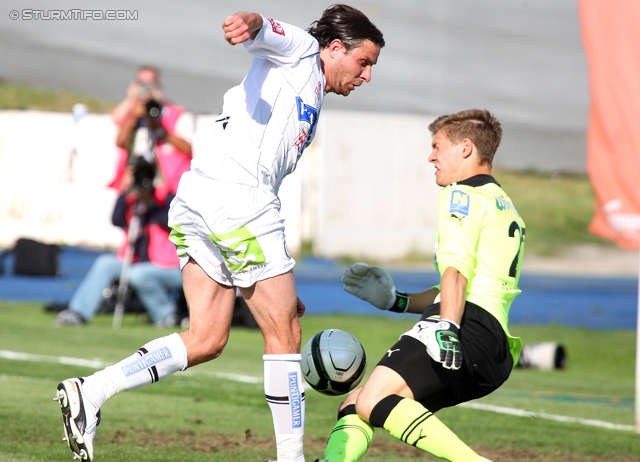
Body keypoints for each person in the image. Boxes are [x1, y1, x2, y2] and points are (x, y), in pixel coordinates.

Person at [54, 5, 384, 462]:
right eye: (364, 62)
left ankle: (91, 392)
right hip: (237, 203)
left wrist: (276, 286)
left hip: (198, 198)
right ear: (334, 48)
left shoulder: (307, 84)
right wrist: (249, 23)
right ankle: (291, 459)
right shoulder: (304, 53)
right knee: (285, 334)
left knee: (206, 338)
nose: (367, 75)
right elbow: (269, 30)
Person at [316, 109, 525, 462]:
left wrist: (446, 327)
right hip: (494, 345)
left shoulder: (462, 195)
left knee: (373, 400)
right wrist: (396, 301)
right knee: (357, 402)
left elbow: (455, 271)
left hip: (463, 329)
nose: (431, 156)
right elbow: (461, 287)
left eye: (437, 146)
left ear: (465, 148)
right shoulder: (504, 205)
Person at [54, 160, 183, 328]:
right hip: (140, 263)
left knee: (137, 275)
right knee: (105, 263)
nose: (145, 182)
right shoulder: (133, 201)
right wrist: (124, 191)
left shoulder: (165, 198)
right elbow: (116, 219)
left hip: (170, 267)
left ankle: (167, 315)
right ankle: (78, 312)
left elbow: (173, 222)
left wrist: (155, 199)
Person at [109, 65, 194, 194]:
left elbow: (188, 148)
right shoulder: (133, 111)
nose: (146, 88)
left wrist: (159, 127)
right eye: (142, 83)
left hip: (167, 185)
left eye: (150, 83)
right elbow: (119, 138)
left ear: (158, 84)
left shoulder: (174, 113)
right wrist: (133, 106)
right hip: (133, 180)